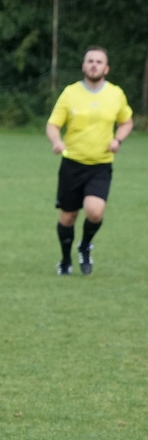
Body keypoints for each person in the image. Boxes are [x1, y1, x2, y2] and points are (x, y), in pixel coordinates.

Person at [46, 46, 133, 276]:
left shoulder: (115, 94)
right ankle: (65, 261)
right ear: (83, 66)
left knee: (95, 212)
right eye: (90, 61)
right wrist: (56, 141)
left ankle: (85, 246)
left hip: (101, 165)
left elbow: (126, 122)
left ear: (106, 68)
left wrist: (118, 140)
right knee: (68, 217)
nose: (94, 65)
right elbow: (53, 124)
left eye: (98, 61)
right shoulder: (70, 93)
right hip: (72, 164)